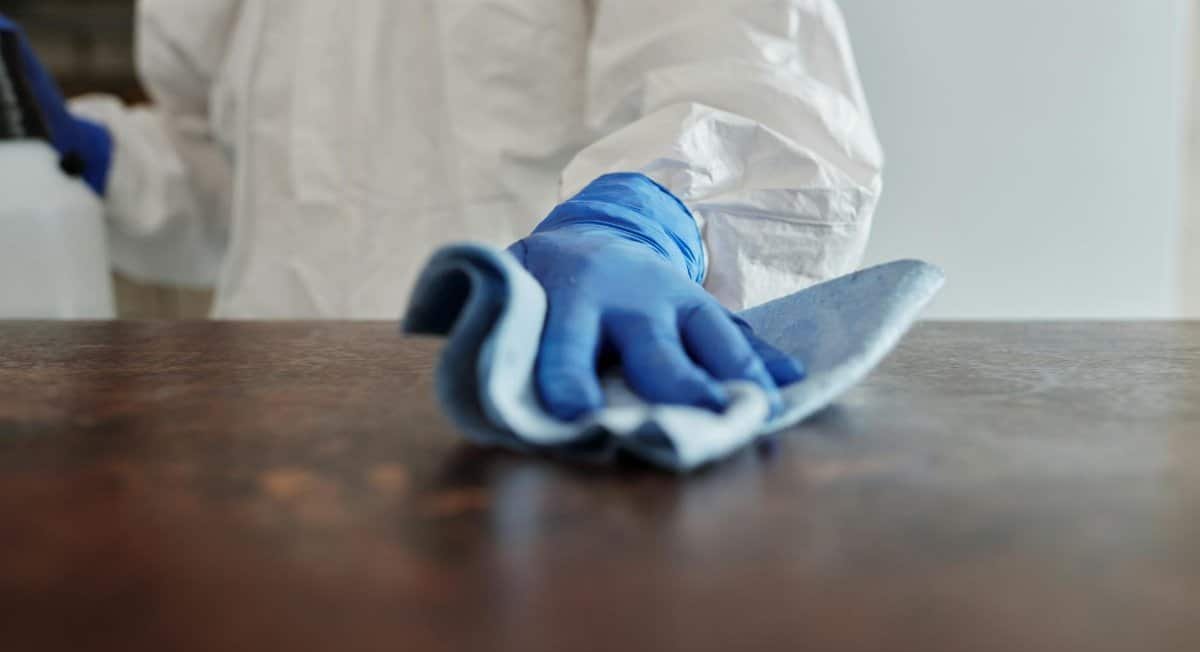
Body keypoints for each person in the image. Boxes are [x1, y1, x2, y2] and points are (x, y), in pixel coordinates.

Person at [0, 1, 882, 421]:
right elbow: (238, 194)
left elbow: (761, 88)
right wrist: (96, 155)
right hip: (267, 436)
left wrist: (646, 213)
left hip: (543, 417)